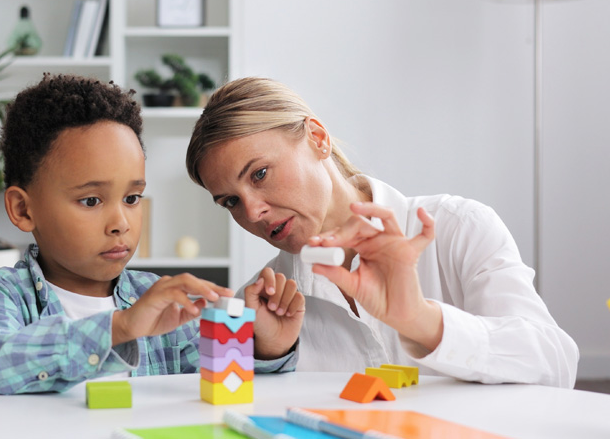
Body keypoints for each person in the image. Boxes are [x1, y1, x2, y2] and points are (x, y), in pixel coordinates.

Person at [185, 77, 579, 388]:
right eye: (230, 202)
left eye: (260, 174)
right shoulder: (260, 301)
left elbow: (555, 368)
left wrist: (422, 321)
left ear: (317, 138)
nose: (253, 211)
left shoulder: (458, 228)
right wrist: (270, 355)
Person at [0, 74, 304, 395]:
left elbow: (223, 385)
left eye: (132, 198)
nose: (120, 223)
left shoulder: (156, 298)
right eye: (91, 200)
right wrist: (118, 329)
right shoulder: (6, 294)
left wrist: (268, 346)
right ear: (23, 210)